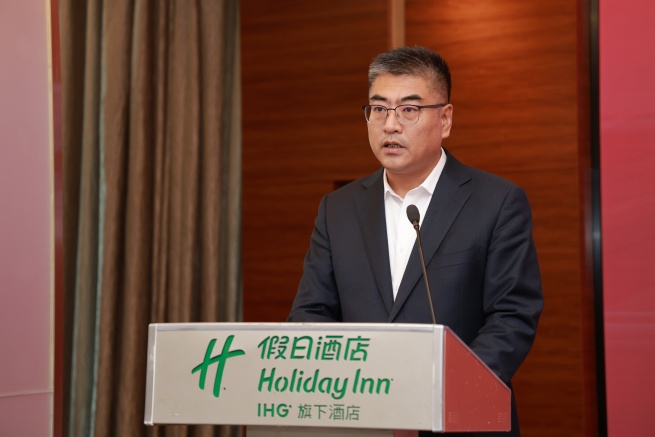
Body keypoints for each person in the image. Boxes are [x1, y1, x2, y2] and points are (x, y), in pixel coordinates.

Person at [287, 46, 543, 437]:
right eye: (379, 109)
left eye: (409, 109)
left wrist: (439, 390)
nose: (390, 125)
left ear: (445, 119)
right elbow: (311, 314)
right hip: (363, 420)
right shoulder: (337, 208)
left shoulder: (496, 202)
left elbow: (512, 317)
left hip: (460, 419)